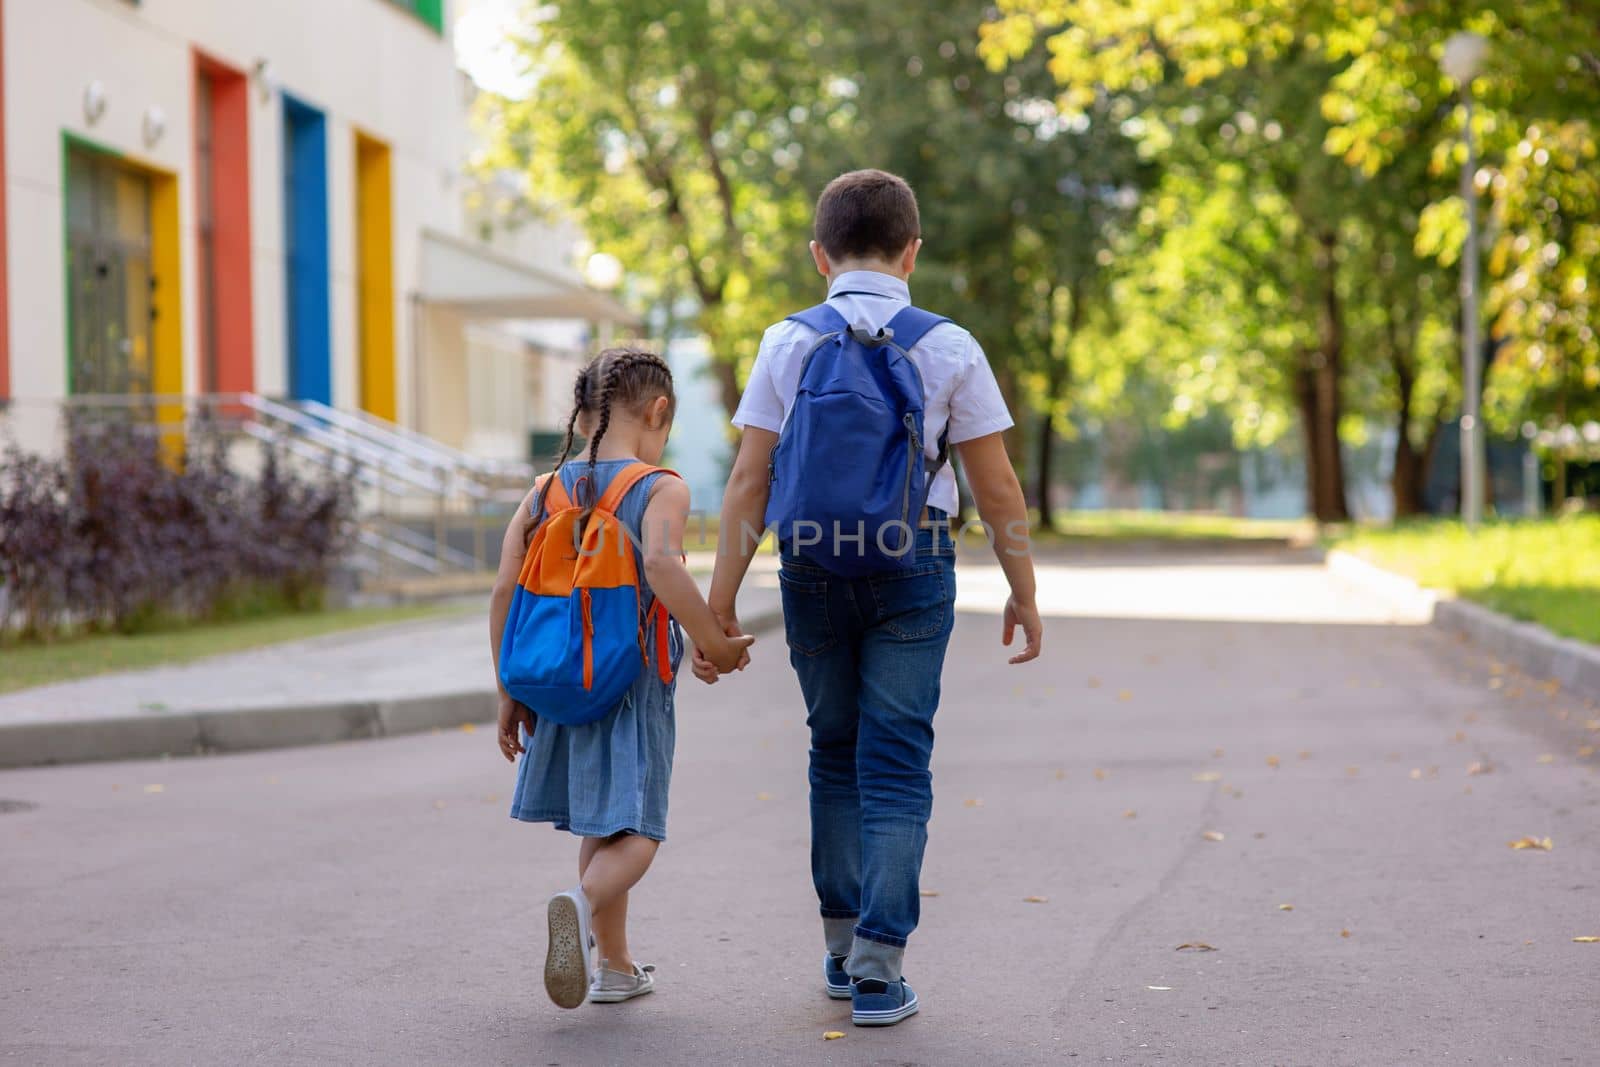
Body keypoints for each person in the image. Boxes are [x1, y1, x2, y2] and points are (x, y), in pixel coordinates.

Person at [696, 169, 1043, 1027]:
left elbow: (748, 481)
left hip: (813, 561)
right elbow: (995, 486)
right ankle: (882, 970)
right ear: (912, 252)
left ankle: (841, 951)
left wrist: (719, 603)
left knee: (832, 752)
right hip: (912, 561)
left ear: (820, 256)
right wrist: (1023, 589)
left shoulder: (786, 342)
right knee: (896, 762)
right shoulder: (949, 345)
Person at [489, 348, 754, 1009]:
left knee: (601, 820)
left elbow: (503, 592)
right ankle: (578, 906)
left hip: (556, 683)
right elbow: (663, 569)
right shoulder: (659, 486)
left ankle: (613, 965)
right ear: (658, 411)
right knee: (639, 826)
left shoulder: (544, 490)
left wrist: (507, 690)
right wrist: (713, 642)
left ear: (582, 413)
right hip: (630, 681)